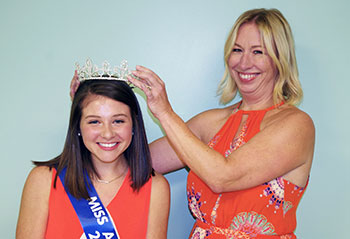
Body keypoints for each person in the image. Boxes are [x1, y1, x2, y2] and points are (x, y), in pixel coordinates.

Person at [127, 8, 315, 238]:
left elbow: (223, 177)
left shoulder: (296, 125)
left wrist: (165, 113)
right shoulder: (211, 121)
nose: (244, 62)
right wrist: (88, 105)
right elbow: (138, 162)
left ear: (279, 60)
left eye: (258, 52)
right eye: (237, 50)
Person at [16, 60, 170, 239]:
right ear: (78, 126)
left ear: (134, 125)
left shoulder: (155, 188)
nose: (107, 133)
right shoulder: (44, 180)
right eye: (94, 122)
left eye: (118, 121)